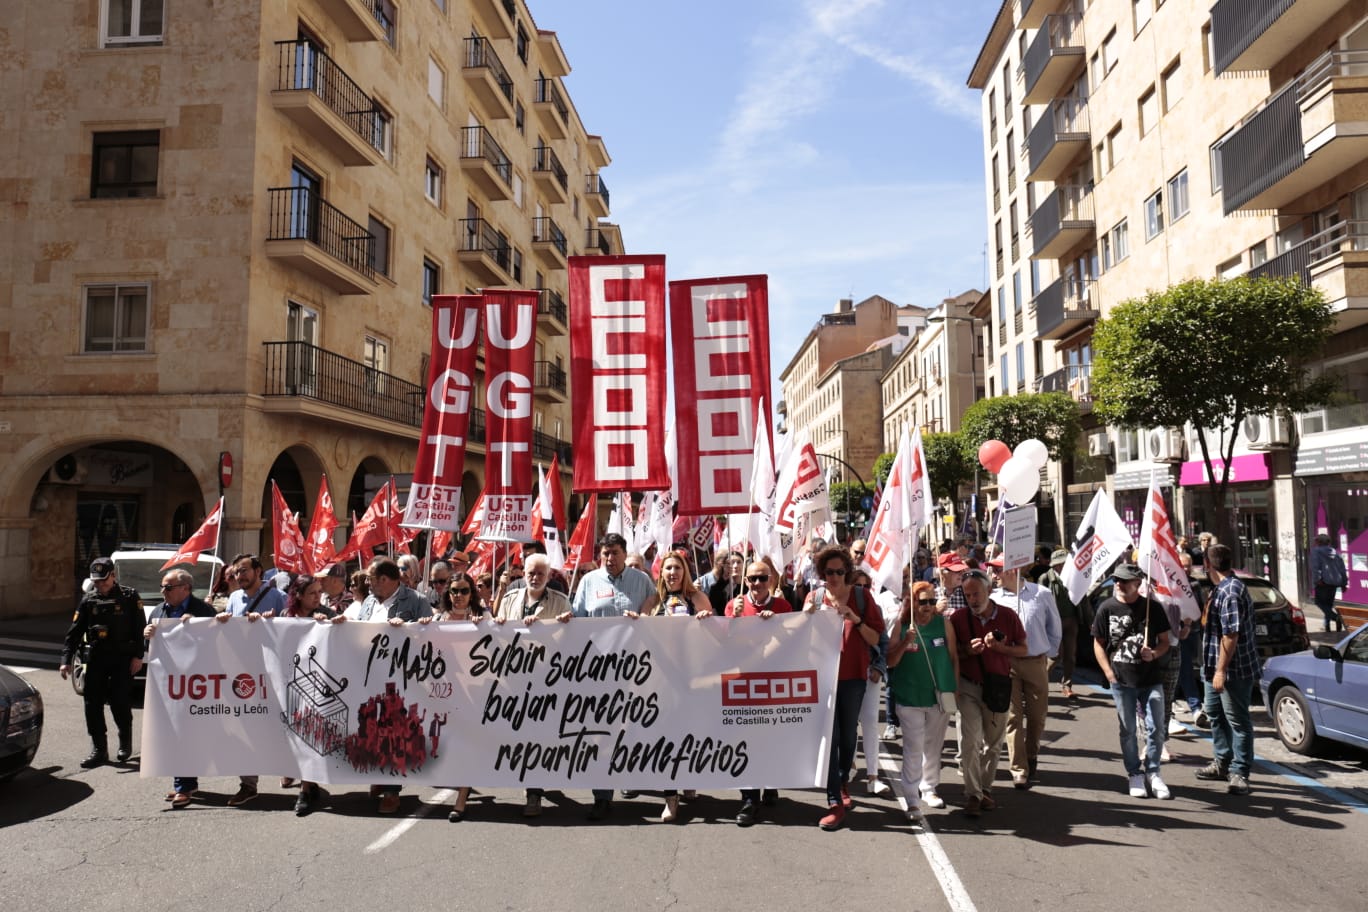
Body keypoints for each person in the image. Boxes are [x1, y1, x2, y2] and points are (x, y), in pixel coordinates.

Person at [565, 532, 657, 820]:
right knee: (600, 733)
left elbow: (655, 613)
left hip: (636, 668)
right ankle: (602, 795)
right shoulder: (589, 581)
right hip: (598, 669)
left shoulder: (641, 582)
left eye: (615, 552)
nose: (609, 558)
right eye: (605, 553)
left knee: (632, 727)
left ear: (624, 553)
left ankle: (629, 775)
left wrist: (645, 617)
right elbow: (577, 619)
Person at [334, 556, 431, 813]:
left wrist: (409, 629)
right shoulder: (367, 602)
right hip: (368, 675)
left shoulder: (416, 601)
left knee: (394, 730)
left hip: (399, 678)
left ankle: (392, 790)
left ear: (386, 580)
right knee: (371, 726)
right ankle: (379, 775)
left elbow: (430, 636)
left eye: (371, 578)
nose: (367, 582)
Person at [802, 546, 885, 831]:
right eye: (829, 572)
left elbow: (876, 638)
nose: (834, 577)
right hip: (821, 680)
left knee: (849, 735)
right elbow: (799, 638)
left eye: (839, 571)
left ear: (847, 572)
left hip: (852, 678)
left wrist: (855, 618)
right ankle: (834, 801)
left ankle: (842, 780)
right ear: (821, 573)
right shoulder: (813, 598)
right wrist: (805, 618)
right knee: (830, 738)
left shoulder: (862, 597)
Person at [949, 568, 1027, 818]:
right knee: (970, 741)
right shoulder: (958, 618)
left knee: (993, 744)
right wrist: (967, 651)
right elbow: (951, 654)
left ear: (989, 591)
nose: (972, 599)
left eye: (976, 593)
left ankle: (985, 787)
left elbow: (1023, 649)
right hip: (968, 686)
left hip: (998, 687)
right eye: (967, 594)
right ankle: (973, 793)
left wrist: (1001, 648)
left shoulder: (1008, 616)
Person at [1092, 563, 1172, 799]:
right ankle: (1134, 773)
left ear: (1138, 584)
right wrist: (1108, 672)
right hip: (1121, 680)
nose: (1119, 584)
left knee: (1156, 727)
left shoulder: (1152, 609)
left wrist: (1154, 654)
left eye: (1125, 580)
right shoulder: (1106, 608)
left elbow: (1165, 641)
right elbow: (1098, 642)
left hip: (1151, 679)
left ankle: (1154, 772)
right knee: (1127, 730)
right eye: (1117, 579)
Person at [214, 553, 288, 806]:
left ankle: (289, 767)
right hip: (244, 675)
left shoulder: (278, 597)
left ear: (259, 571)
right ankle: (248, 784)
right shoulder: (234, 598)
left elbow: (293, 628)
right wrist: (223, 620)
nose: (239, 576)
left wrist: (274, 621)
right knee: (245, 728)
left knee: (279, 726)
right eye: (236, 573)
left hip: (273, 674)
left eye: (244, 570)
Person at [724, 558, 793, 826]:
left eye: (762, 578)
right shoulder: (736, 605)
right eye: (751, 578)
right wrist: (734, 618)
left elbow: (796, 641)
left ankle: (770, 782)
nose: (756, 584)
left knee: (770, 738)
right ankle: (749, 798)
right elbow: (724, 643)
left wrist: (777, 623)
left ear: (771, 581)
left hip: (773, 684)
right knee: (745, 740)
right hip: (744, 684)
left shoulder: (783, 606)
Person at [60, 557, 145, 768]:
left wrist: (138, 657)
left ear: (113, 576)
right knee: (92, 704)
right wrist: (66, 660)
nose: (100, 585)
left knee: (120, 703)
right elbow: (74, 633)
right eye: (97, 581)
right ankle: (99, 749)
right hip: (97, 658)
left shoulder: (130, 596)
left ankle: (125, 742)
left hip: (122, 659)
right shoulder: (88, 600)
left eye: (104, 581)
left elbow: (140, 629)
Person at [143, 568, 216, 806]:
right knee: (172, 733)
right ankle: (185, 783)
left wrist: (199, 628)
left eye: (168, 587)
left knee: (185, 732)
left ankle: (184, 786)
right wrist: (147, 634)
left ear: (186, 589)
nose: (163, 591)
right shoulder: (158, 610)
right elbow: (149, 644)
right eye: (163, 586)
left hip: (195, 683)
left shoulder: (203, 610)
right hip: (167, 682)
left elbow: (219, 643)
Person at [887, 580, 958, 817]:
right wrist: (906, 641)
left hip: (938, 695)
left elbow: (953, 657)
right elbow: (890, 662)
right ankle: (911, 796)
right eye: (922, 601)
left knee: (934, 745)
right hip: (909, 697)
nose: (928, 606)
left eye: (931, 601)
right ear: (913, 602)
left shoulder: (944, 623)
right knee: (914, 746)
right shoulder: (902, 625)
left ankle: (930, 788)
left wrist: (954, 687)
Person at [1195, 544, 1259, 796]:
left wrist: (1221, 670)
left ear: (1208, 565)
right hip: (1211, 666)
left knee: (1237, 720)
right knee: (1214, 713)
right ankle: (1222, 762)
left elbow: (1231, 635)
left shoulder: (1230, 590)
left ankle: (1240, 771)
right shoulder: (1219, 589)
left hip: (1232, 669)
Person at [992, 560, 1061, 790]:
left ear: (1012, 570)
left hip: (1035, 662)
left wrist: (1048, 654)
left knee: (1037, 715)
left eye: (998, 569)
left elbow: (1055, 626)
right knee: (1012, 717)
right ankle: (1018, 768)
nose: (994, 574)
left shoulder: (1041, 594)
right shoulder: (995, 599)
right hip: (1007, 662)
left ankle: (1031, 754)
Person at [278, 573, 333, 815]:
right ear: (298, 595)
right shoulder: (284, 617)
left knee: (309, 735)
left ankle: (305, 789)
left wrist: (330, 624)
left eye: (319, 592)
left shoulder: (325, 616)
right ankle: (309, 786)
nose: (317, 597)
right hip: (289, 685)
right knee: (293, 738)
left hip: (315, 689)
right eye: (312, 593)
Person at [850, 568, 891, 797]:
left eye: (866, 586)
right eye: (857, 586)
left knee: (870, 725)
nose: (862, 591)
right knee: (847, 725)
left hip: (869, 675)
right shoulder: (840, 610)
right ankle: (850, 766)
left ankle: (873, 776)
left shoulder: (872, 610)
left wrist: (878, 667)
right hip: (845, 676)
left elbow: (882, 643)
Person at [1041, 550, 1080, 699]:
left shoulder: (1074, 577)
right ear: (1056, 565)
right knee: (1056, 654)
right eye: (1063, 563)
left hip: (1072, 620)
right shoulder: (1046, 578)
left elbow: (1082, 600)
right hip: (1054, 622)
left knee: (1070, 655)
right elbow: (1040, 600)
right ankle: (1041, 681)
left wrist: (1090, 620)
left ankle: (1067, 685)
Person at [1309, 533, 1346, 632]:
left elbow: (1315, 567)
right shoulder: (1335, 552)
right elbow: (1342, 569)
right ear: (1328, 542)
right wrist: (1344, 583)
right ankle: (1327, 626)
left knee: (1319, 602)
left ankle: (1336, 618)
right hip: (1334, 582)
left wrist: (1317, 580)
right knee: (1328, 605)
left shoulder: (1316, 551)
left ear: (1318, 542)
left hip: (1323, 582)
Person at [707, 551, 747, 616]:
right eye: (731, 562)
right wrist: (724, 579)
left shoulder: (750, 585)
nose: (735, 566)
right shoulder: (717, 587)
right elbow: (711, 604)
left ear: (744, 565)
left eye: (739, 562)